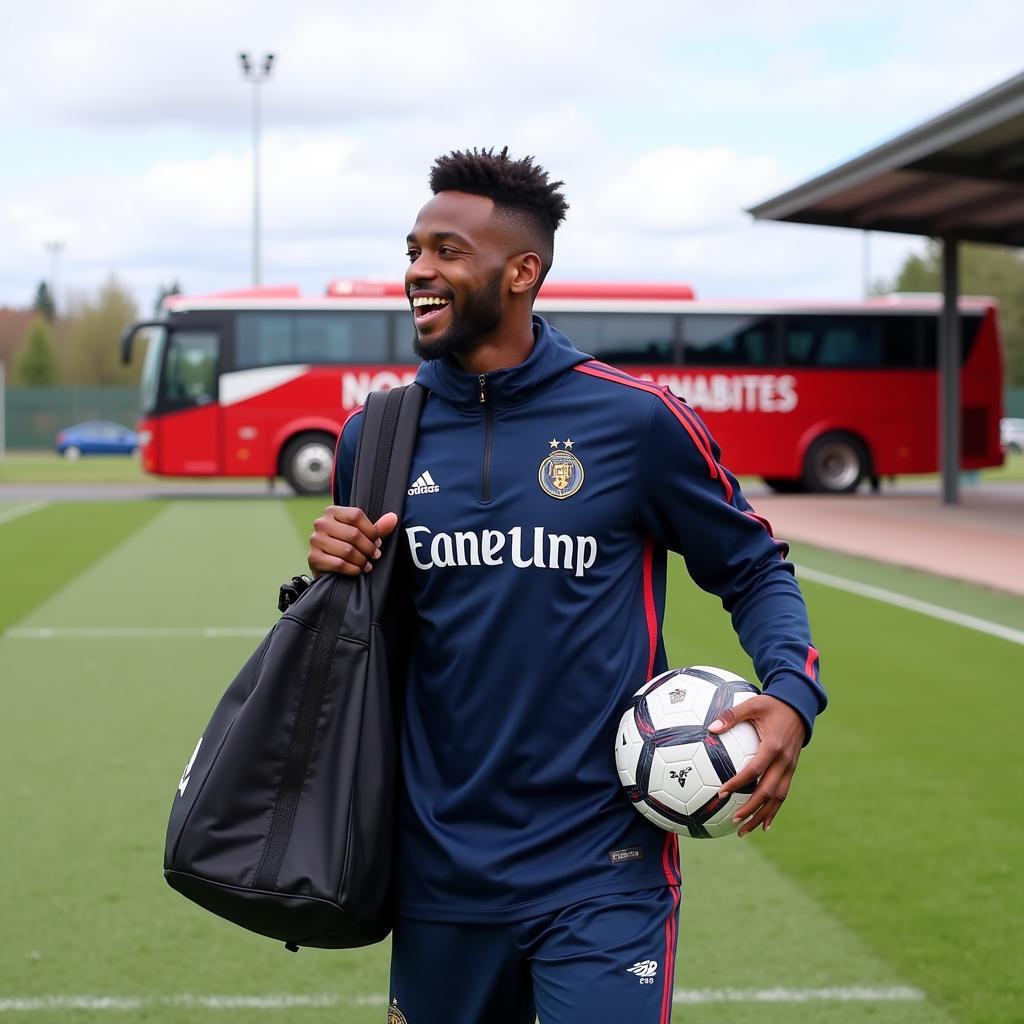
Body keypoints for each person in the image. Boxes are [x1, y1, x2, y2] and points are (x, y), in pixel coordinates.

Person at [307, 147, 826, 1024]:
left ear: (521, 271)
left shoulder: (635, 421)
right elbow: (366, 641)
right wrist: (330, 574)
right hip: (438, 869)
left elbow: (752, 565)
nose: (418, 273)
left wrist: (792, 693)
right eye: (412, 251)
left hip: (601, 869)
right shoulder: (377, 437)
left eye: (445, 251)